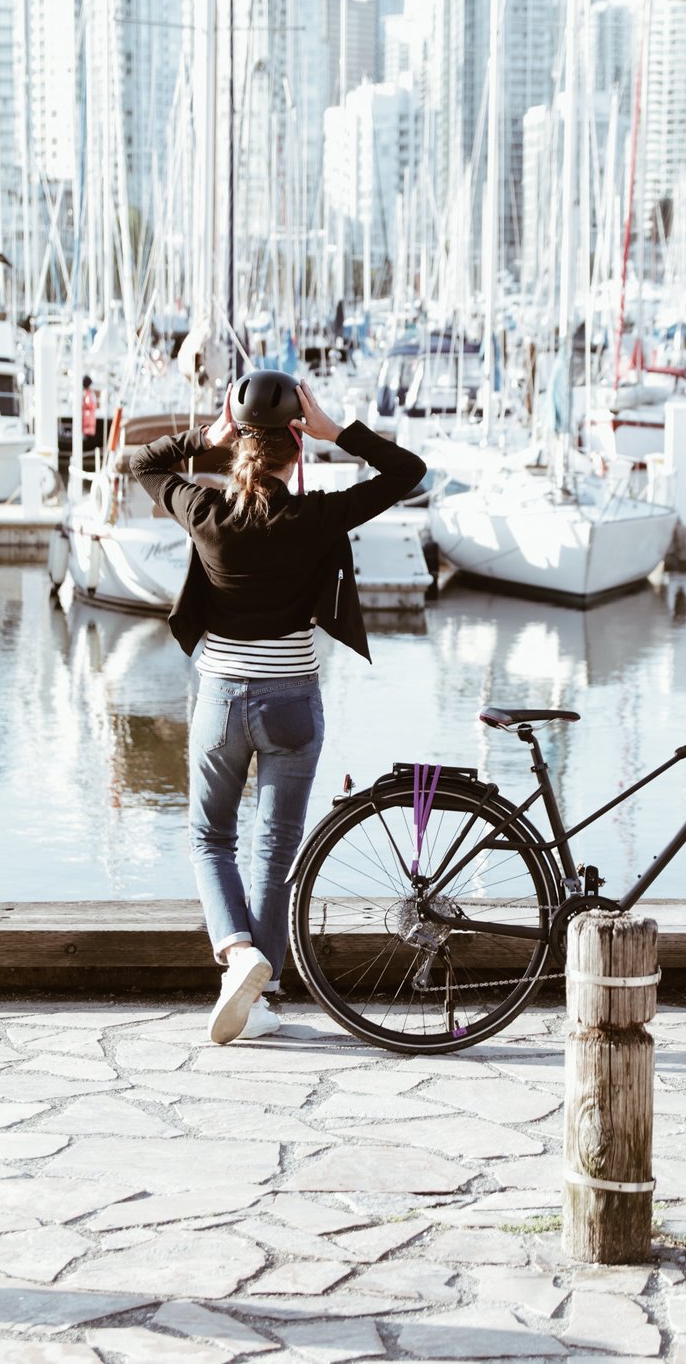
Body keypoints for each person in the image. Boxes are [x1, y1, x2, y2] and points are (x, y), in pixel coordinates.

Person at [130, 373, 427, 1044]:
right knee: (275, 849)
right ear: (296, 446)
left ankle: (238, 954)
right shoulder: (317, 516)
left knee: (210, 839)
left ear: (236, 444)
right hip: (294, 700)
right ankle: (261, 997)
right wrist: (338, 432)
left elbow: (142, 462)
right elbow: (408, 470)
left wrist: (205, 436)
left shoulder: (204, 510)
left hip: (224, 701)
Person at [81, 375, 98, 454]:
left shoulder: (87, 395)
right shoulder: (90, 394)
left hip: (87, 428)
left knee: (87, 445)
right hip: (89, 427)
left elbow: (89, 405)